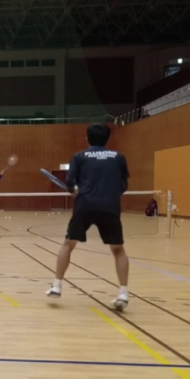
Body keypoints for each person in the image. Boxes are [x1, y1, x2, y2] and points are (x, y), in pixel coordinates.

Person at [47, 124, 131, 311]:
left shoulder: (80, 156)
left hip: (85, 205)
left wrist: (73, 191)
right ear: (108, 139)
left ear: (87, 138)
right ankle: (123, 294)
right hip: (110, 207)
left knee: (68, 244)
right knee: (118, 250)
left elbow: (70, 182)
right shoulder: (119, 158)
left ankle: (57, 286)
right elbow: (124, 185)